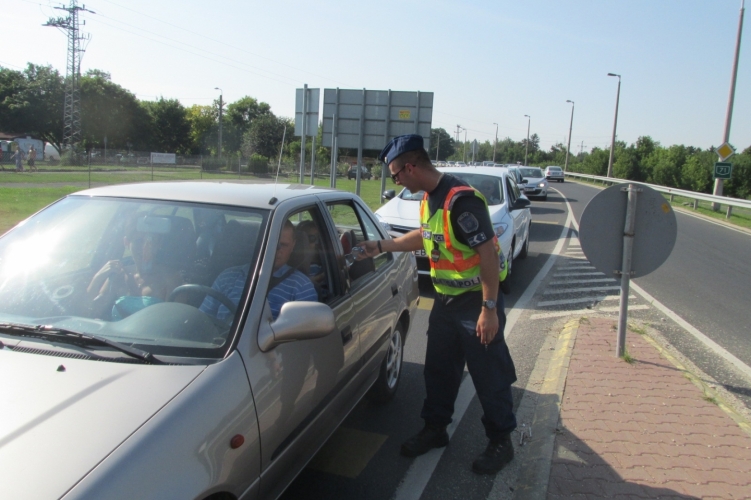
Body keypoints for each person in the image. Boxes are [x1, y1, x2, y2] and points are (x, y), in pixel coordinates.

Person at [357, 134, 517, 475]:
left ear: (411, 167)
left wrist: (489, 309)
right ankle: (435, 429)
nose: (396, 182)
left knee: (489, 375)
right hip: (446, 303)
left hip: (476, 302)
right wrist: (382, 246)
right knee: (439, 370)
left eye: (396, 175)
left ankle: (501, 441)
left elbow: (487, 254)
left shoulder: (462, 201)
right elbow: (426, 236)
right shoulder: (430, 198)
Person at [200, 219, 317, 322]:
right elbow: (202, 320)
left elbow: (304, 333)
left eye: (283, 245)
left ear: (293, 245)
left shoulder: (301, 287)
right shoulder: (227, 277)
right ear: (260, 241)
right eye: (270, 243)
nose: (275, 250)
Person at [88, 213, 186, 320]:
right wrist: (98, 277)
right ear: (126, 242)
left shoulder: (171, 279)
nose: (145, 248)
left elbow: (174, 323)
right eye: (139, 241)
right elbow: (90, 311)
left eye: (150, 241)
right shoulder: (119, 274)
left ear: (159, 243)